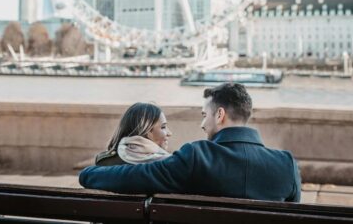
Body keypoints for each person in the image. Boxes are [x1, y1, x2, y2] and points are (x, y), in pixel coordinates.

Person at [80, 83, 301, 202]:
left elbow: (137, 177)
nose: (202, 124)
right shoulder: (287, 165)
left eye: (204, 115)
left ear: (220, 115)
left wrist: (88, 174)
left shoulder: (197, 157)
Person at [95, 102, 172, 166]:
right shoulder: (167, 165)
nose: (169, 133)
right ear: (146, 130)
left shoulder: (104, 161)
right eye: (163, 127)